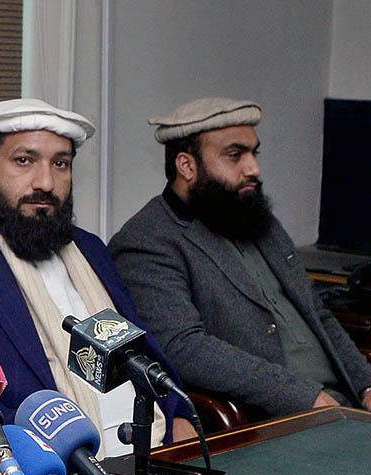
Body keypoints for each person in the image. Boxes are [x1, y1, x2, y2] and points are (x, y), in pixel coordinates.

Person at [0, 99, 194, 457]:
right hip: (57, 474)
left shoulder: (89, 249)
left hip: (153, 453)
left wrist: (176, 415)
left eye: (60, 164)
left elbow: (141, 351)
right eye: (24, 161)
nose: (45, 182)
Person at [109, 97, 371, 418]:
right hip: (281, 414)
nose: (254, 169)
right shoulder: (148, 240)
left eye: (253, 153)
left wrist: (366, 385)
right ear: (187, 166)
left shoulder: (256, 219)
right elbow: (184, 348)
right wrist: (305, 397)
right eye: (235, 156)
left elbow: (318, 313)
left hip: (343, 402)